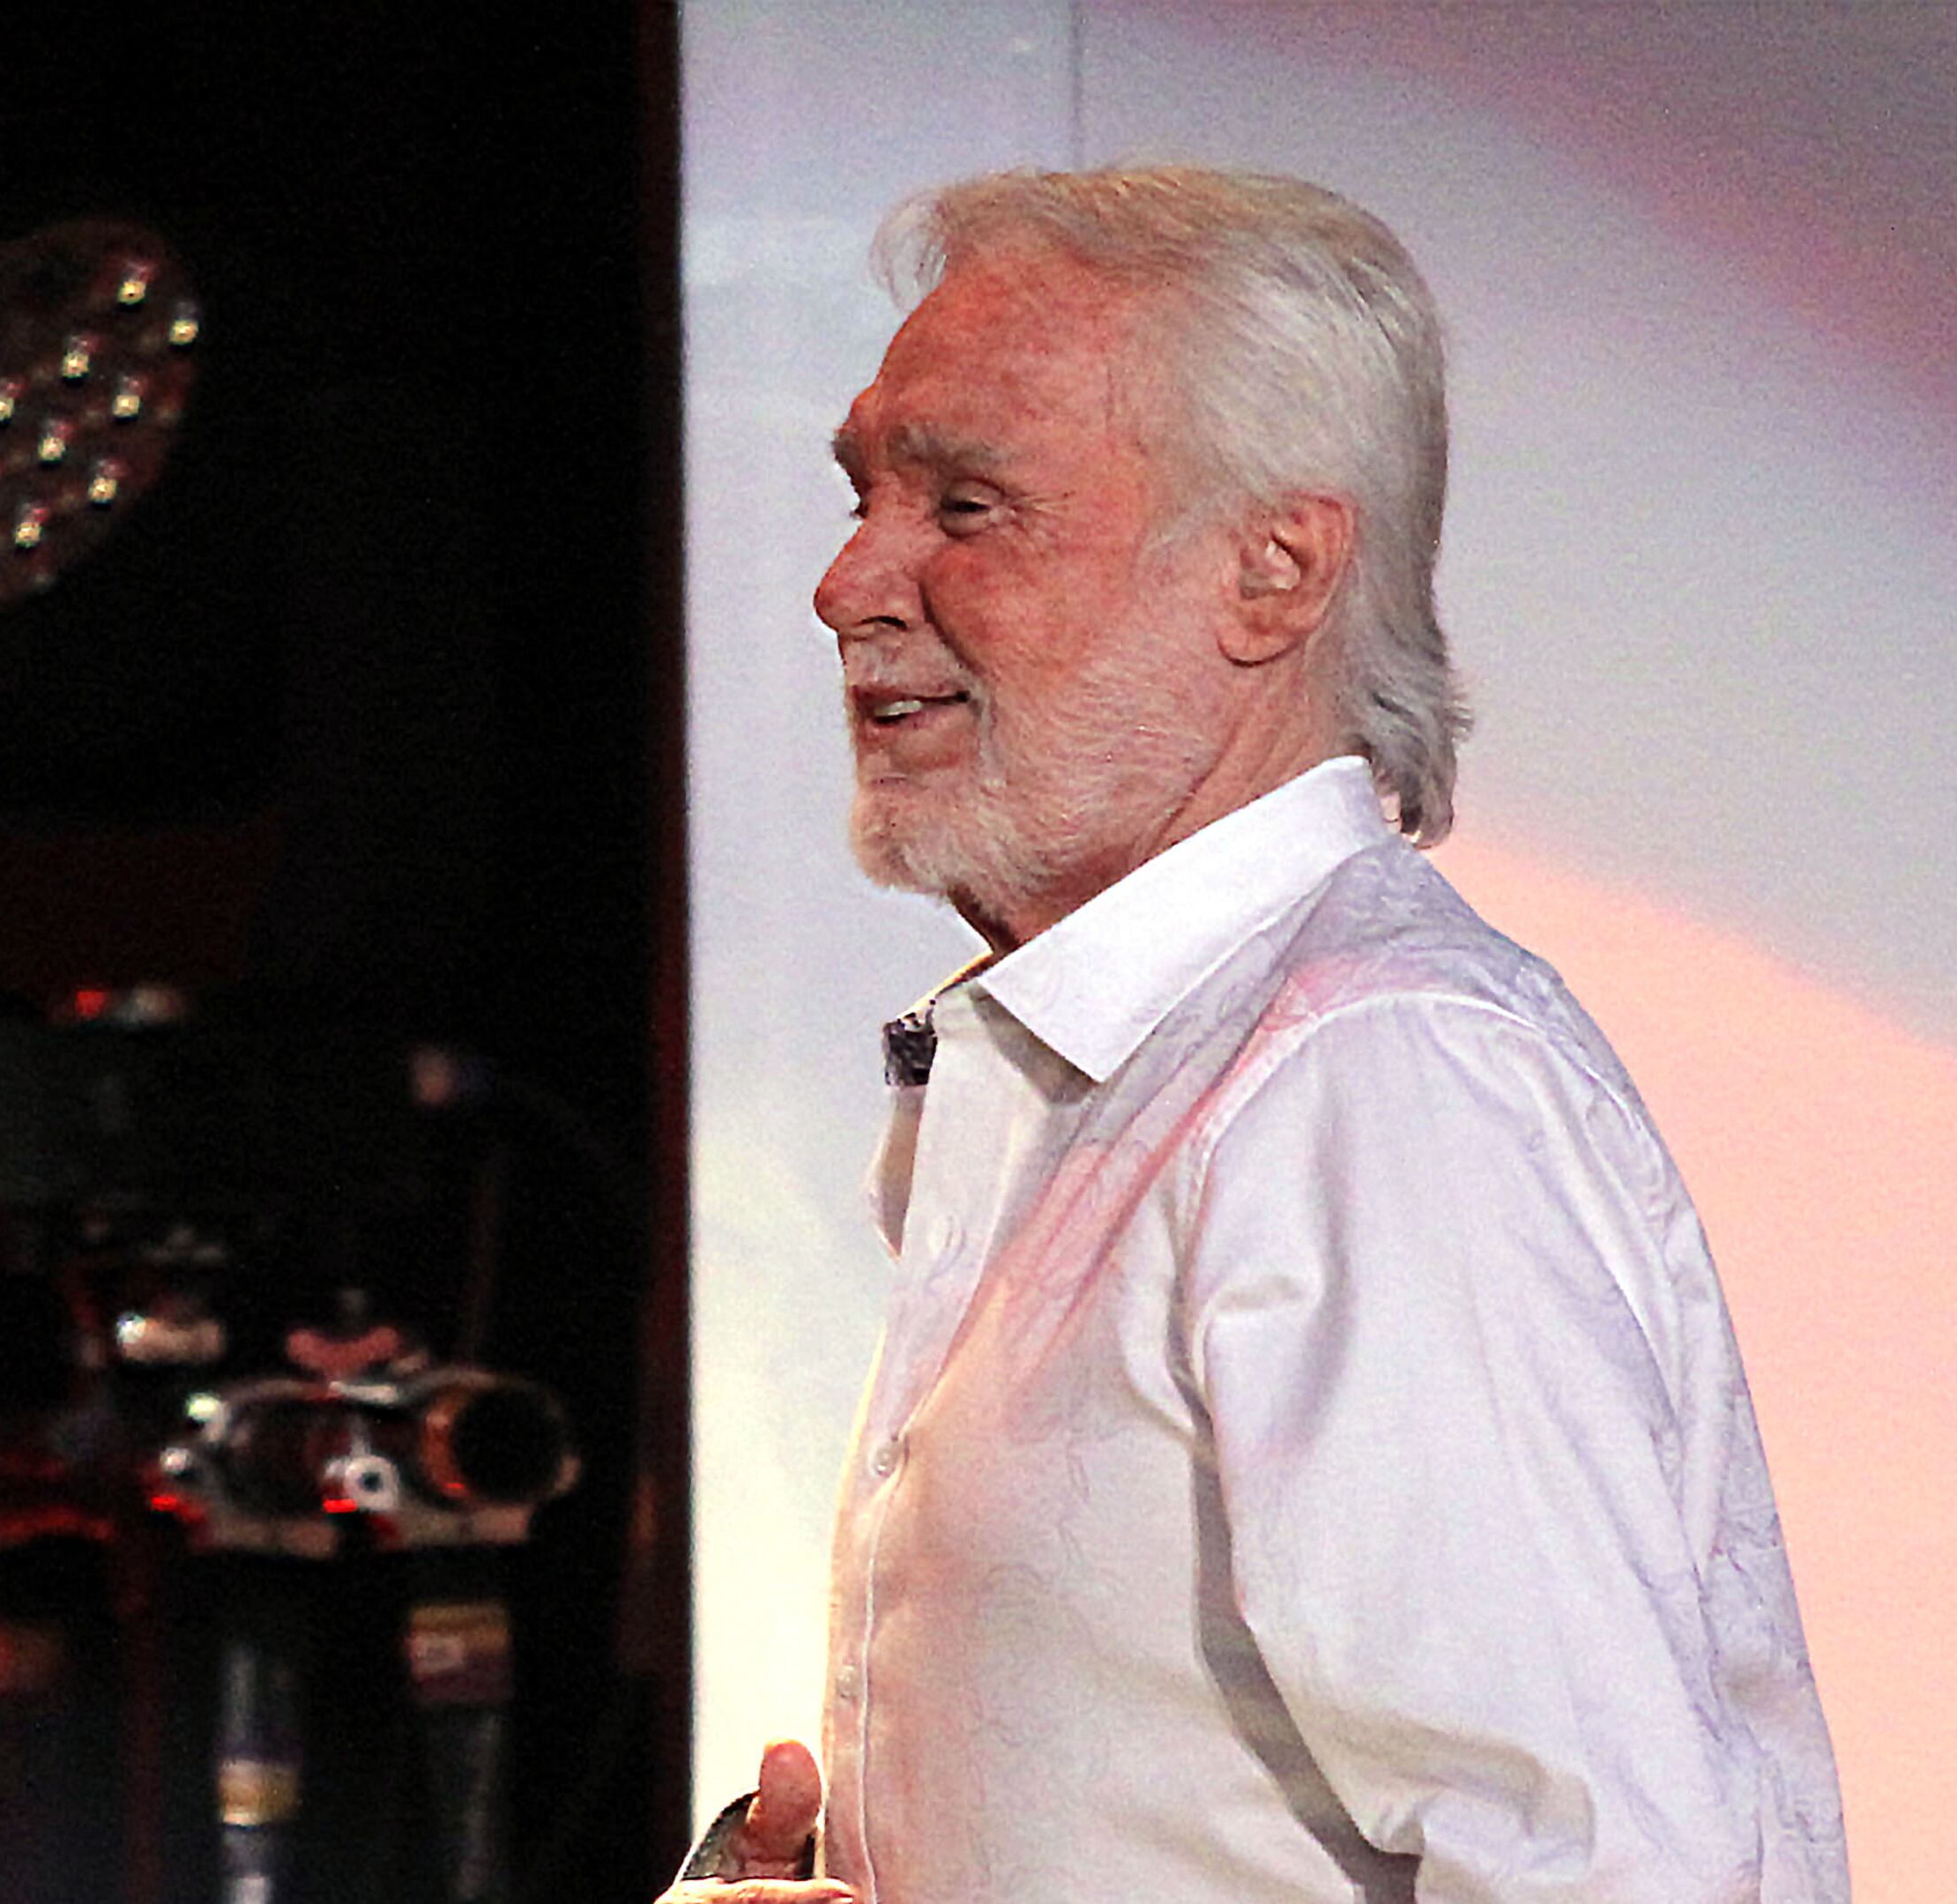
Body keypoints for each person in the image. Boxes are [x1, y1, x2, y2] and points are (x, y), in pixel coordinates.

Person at [672, 166, 1849, 1903]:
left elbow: (1601, 1875)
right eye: (865, 496)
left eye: (968, 507)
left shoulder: (1369, 1079)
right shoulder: (1128, 1069)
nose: (851, 583)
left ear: (1275, 572)